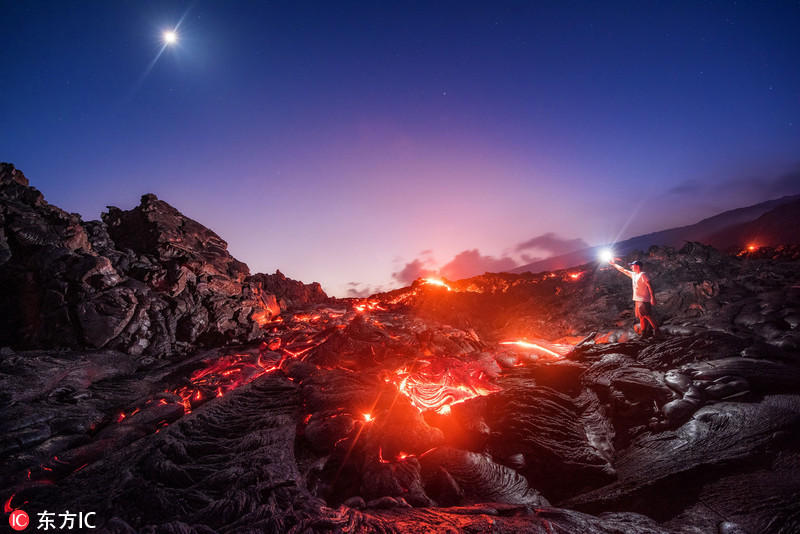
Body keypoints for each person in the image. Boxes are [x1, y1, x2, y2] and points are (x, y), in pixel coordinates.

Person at [609, 259, 659, 337]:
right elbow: (623, 270)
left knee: (648, 316)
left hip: (643, 299)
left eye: (632, 265)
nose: (631, 267)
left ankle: (657, 331)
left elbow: (650, 286)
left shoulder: (643, 274)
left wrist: (653, 297)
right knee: (641, 317)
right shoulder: (634, 274)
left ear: (637, 266)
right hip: (637, 300)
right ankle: (644, 333)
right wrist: (613, 264)